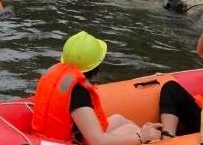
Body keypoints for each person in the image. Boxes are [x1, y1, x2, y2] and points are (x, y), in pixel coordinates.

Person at [32, 31, 162, 144]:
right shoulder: (78, 92)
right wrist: (141, 136)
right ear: (95, 66)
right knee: (132, 131)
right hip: (65, 142)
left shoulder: (57, 76)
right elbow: (98, 141)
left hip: (51, 138)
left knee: (118, 119)